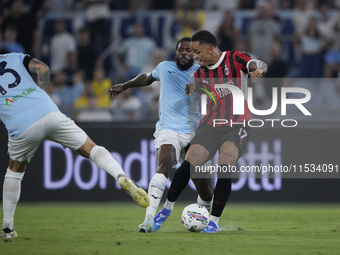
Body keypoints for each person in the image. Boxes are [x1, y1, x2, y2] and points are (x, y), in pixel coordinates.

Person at [0, 53, 149, 239]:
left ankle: (7, 228)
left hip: (20, 124)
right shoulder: (13, 57)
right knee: (92, 148)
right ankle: (121, 176)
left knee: (14, 171)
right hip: (48, 110)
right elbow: (43, 69)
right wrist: (41, 93)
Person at [153, 30, 268, 233]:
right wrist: (192, 87)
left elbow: (256, 64)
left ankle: (213, 221)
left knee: (225, 165)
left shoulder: (234, 58)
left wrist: (258, 68)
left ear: (211, 49)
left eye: (197, 52)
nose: (194, 57)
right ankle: (166, 210)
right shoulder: (199, 72)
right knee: (190, 162)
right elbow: (203, 87)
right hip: (211, 123)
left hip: (237, 124)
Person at [110, 37, 213, 233]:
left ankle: (205, 215)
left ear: (195, 54)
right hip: (169, 129)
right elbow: (147, 78)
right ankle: (149, 219)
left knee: (206, 191)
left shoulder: (202, 72)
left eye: (188, 50)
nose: (184, 53)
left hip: (195, 132)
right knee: (164, 163)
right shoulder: (164, 67)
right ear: (176, 53)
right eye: (181, 50)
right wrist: (125, 85)